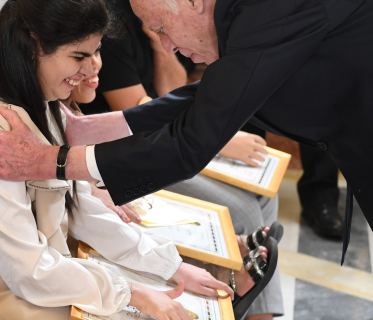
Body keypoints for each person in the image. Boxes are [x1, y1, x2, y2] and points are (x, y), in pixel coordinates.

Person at [0, 0, 373, 263]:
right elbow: (213, 96)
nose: (167, 45)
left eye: (161, 27)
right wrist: (95, 128)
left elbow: (191, 141)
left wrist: (51, 161)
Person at [0, 0, 278, 320]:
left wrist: (171, 266)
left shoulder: (41, 105)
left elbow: (78, 207)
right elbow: (26, 270)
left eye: (96, 53)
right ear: (33, 45)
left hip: (41, 282)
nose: (89, 69)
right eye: (78, 57)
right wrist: (134, 294)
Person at [189, 0, 360, 239]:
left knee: (321, 92)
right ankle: (246, 190)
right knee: (246, 94)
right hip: (244, 3)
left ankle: (320, 196)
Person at [65, 42, 281, 320]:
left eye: (97, 51)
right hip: (130, 155)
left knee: (267, 194)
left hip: (139, 149)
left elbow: (168, 95)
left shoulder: (65, 107)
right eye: (81, 55)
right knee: (244, 212)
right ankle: (227, 279)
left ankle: (237, 289)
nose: (95, 63)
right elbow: (134, 118)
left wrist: (158, 44)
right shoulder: (114, 41)